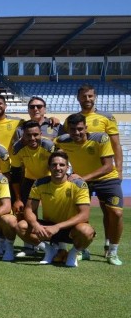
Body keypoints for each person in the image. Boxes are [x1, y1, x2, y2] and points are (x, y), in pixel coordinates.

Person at [54, 113, 123, 265]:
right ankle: (81, 249)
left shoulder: (100, 138)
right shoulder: (62, 141)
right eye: (72, 130)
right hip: (81, 181)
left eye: (80, 129)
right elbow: (49, 149)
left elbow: (108, 166)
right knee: (73, 213)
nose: (77, 133)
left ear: (86, 127)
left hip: (106, 179)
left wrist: (83, 178)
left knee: (116, 213)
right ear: (68, 130)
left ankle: (112, 252)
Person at [16, 151, 95, 267]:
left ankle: (73, 253)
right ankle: (49, 250)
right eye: (54, 165)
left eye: (62, 165)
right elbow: (29, 209)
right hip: (48, 227)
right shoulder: (39, 183)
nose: (58, 168)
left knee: (87, 231)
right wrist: (36, 225)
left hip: (70, 228)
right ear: (49, 167)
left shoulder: (78, 184)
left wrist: (57, 227)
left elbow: (84, 215)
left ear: (67, 167)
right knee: (21, 226)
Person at [9, 120, 55, 256]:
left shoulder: (49, 146)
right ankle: (30, 247)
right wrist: (17, 198)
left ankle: (58, 246)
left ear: (41, 133)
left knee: (53, 212)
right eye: (28, 135)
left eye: (36, 134)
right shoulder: (17, 148)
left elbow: (58, 166)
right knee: (25, 212)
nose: (32, 138)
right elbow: (16, 175)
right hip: (30, 180)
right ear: (23, 136)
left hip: (49, 179)